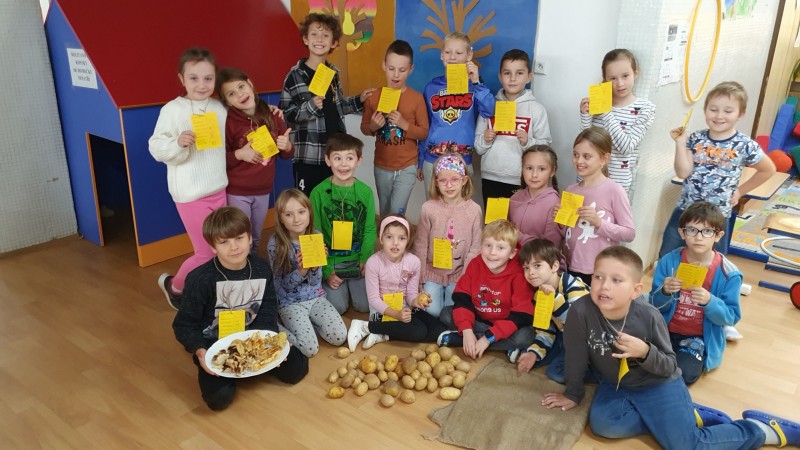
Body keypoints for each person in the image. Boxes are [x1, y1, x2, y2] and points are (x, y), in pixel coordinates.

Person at [541, 246, 800, 450]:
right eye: (598, 277)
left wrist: (644, 352)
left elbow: (669, 366)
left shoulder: (648, 315)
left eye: (617, 280)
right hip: (616, 383)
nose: (604, 286)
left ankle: (764, 429)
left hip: (657, 382)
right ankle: (684, 416)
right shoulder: (581, 311)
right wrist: (573, 394)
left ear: (636, 290)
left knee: (687, 445)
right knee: (604, 426)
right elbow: (575, 355)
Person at [172, 207, 308, 411]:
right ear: (213, 247)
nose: (234, 247)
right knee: (218, 399)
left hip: (254, 340)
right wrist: (200, 350)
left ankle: (250, 369)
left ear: (250, 238)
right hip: (215, 344)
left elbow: (268, 308)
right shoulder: (200, 279)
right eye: (224, 242)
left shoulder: (261, 268)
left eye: (239, 238)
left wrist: (271, 344)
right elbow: (183, 325)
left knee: (297, 368)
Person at [660, 81, 776, 258]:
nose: (719, 116)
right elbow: (683, 172)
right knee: (668, 257)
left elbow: (768, 169)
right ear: (705, 110)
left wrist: (741, 191)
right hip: (685, 211)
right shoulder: (695, 138)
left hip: (717, 216)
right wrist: (680, 143)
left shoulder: (745, 144)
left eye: (728, 111)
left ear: (740, 114)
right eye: (713, 109)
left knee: (712, 264)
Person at [149, 48, 228, 310]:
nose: (201, 85)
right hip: (190, 194)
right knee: (206, 252)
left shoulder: (219, 107)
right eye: (194, 78)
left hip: (219, 189)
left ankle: (212, 295)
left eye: (208, 78)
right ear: (182, 79)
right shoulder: (172, 110)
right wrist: (178, 143)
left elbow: (240, 124)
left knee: (222, 249)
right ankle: (175, 287)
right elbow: (156, 147)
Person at [279, 12, 376, 195]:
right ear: (305, 39)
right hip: (309, 157)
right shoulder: (295, 75)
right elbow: (286, 114)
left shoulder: (332, 73)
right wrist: (311, 106)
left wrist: (359, 100)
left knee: (333, 202)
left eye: (325, 35)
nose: (319, 39)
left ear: (334, 43)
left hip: (335, 155)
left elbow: (338, 106)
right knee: (308, 203)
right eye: (314, 34)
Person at [649, 202, 741, 385]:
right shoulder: (668, 262)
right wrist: (664, 292)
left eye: (707, 231)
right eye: (692, 230)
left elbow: (731, 317)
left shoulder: (729, 274)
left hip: (697, 337)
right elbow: (653, 304)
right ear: (682, 233)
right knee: (641, 362)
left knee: (682, 376)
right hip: (664, 330)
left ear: (718, 236)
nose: (699, 237)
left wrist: (710, 302)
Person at [216, 67, 294, 254]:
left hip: (263, 191)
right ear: (227, 101)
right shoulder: (228, 123)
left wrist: (287, 146)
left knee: (256, 236)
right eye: (231, 94)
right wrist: (239, 154)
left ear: (250, 84)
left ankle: (253, 268)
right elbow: (219, 160)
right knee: (240, 236)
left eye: (241, 86)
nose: (240, 94)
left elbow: (286, 155)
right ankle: (242, 268)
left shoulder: (273, 115)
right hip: (237, 191)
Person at [437, 220, 535, 360]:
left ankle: (461, 339)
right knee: (446, 314)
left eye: (501, 248)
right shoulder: (475, 264)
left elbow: (521, 314)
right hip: (479, 319)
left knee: (525, 337)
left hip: (507, 323)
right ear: (481, 245)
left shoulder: (519, 273)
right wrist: (467, 331)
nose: (492, 252)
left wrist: (487, 338)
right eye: (488, 245)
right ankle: (502, 345)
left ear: (512, 253)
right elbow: (462, 298)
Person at [347, 215, 447, 351]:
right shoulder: (373, 262)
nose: (395, 243)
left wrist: (416, 301)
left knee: (438, 330)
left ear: (408, 240)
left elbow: (411, 293)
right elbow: (374, 299)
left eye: (401, 238)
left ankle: (382, 334)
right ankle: (366, 326)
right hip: (382, 311)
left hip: (405, 308)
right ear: (381, 239)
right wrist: (396, 314)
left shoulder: (414, 262)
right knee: (419, 331)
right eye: (389, 237)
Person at [267, 189, 347, 358]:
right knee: (309, 349)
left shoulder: (316, 236)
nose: (296, 219)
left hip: (315, 296)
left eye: (301, 212)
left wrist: (315, 267)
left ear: (309, 212)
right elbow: (284, 286)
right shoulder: (276, 244)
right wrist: (302, 269)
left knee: (339, 336)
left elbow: (315, 282)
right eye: (288, 214)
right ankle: (272, 327)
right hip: (290, 302)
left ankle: (308, 325)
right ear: (281, 218)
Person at [418, 32, 495, 197]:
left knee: (461, 209)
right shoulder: (431, 87)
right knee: (433, 208)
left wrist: (476, 82)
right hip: (433, 159)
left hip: (463, 160)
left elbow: (489, 110)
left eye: (459, 53)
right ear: (441, 55)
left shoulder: (475, 86)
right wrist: (420, 160)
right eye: (448, 52)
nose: (452, 57)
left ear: (469, 55)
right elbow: (425, 125)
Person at [360, 40, 429, 216]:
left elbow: (424, 132)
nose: (396, 74)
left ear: (411, 69)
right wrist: (373, 126)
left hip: (407, 166)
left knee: (397, 214)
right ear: (384, 65)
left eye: (402, 70)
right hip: (382, 165)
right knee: (384, 212)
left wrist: (405, 125)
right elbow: (364, 128)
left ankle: (397, 233)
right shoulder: (374, 96)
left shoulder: (417, 99)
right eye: (391, 68)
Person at [558, 127, 635, 286]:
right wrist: (559, 220)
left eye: (586, 156)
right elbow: (566, 232)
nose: (579, 161)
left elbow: (629, 233)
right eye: (576, 155)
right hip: (570, 265)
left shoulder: (614, 190)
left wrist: (599, 223)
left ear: (604, 159)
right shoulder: (571, 190)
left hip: (600, 270)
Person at [309, 133, 376, 314]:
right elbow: (314, 234)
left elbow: (370, 229)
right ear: (328, 160)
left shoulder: (365, 192)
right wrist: (327, 271)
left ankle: (351, 284)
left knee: (364, 306)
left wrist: (364, 260)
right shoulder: (318, 193)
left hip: (357, 261)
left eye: (349, 158)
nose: (343, 164)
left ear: (359, 161)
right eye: (337, 158)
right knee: (338, 307)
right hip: (331, 261)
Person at [475, 49, 551, 206]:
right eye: (507, 73)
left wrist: (528, 142)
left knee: (518, 220)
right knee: (494, 221)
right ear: (500, 76)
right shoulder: (489, 107)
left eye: (519, 73)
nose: (513, 78)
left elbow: (545, 149)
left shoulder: (536, 110)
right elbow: (478, 147)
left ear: (529, 76)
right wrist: (486, 139)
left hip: (521, 178)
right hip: (491, 177)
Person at [413, 155, 482, 318]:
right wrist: (419, 278)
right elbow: (421, 244)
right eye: (443, 180)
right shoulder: (428, 208)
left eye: (454, 179)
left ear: (464, 180)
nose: (449, 185)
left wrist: (465, 278)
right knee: (432, 312)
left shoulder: (474, 210)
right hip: (432, 273)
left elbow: (475, 248)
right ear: (436, 182)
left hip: (459, 275)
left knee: (451, 314)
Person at [579, 49, 655, 198]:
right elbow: (585, 144)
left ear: (636, 73)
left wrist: (606, 113)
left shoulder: (645, 109)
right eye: (612, 78)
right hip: (588, 179)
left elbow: (626, 147)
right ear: (605, 79)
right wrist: (585, 116)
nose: (620, 83)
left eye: (625, 76)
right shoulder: (599, 103)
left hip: (617, 186)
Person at [511, 239, 589, 382]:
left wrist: (556, 298)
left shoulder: (574, 286)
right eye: (526, 268)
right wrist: (534, 353)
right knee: (533, 357)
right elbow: (546, 329)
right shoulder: (538, 294)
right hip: (563, 334)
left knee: (556, 373)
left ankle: (595, 368)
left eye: (537, 266)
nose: (531, 273)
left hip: (586, 338)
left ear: (554, 266)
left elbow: (579, 326)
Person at [508, 145, 562, 247]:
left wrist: (518, 236)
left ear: (552, 171)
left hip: (538, 256)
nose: (534, 175)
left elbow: (551, 247)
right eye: (529, 168)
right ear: (522, 169)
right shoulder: (514, 198)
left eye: (542, 169)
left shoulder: (555, 204)